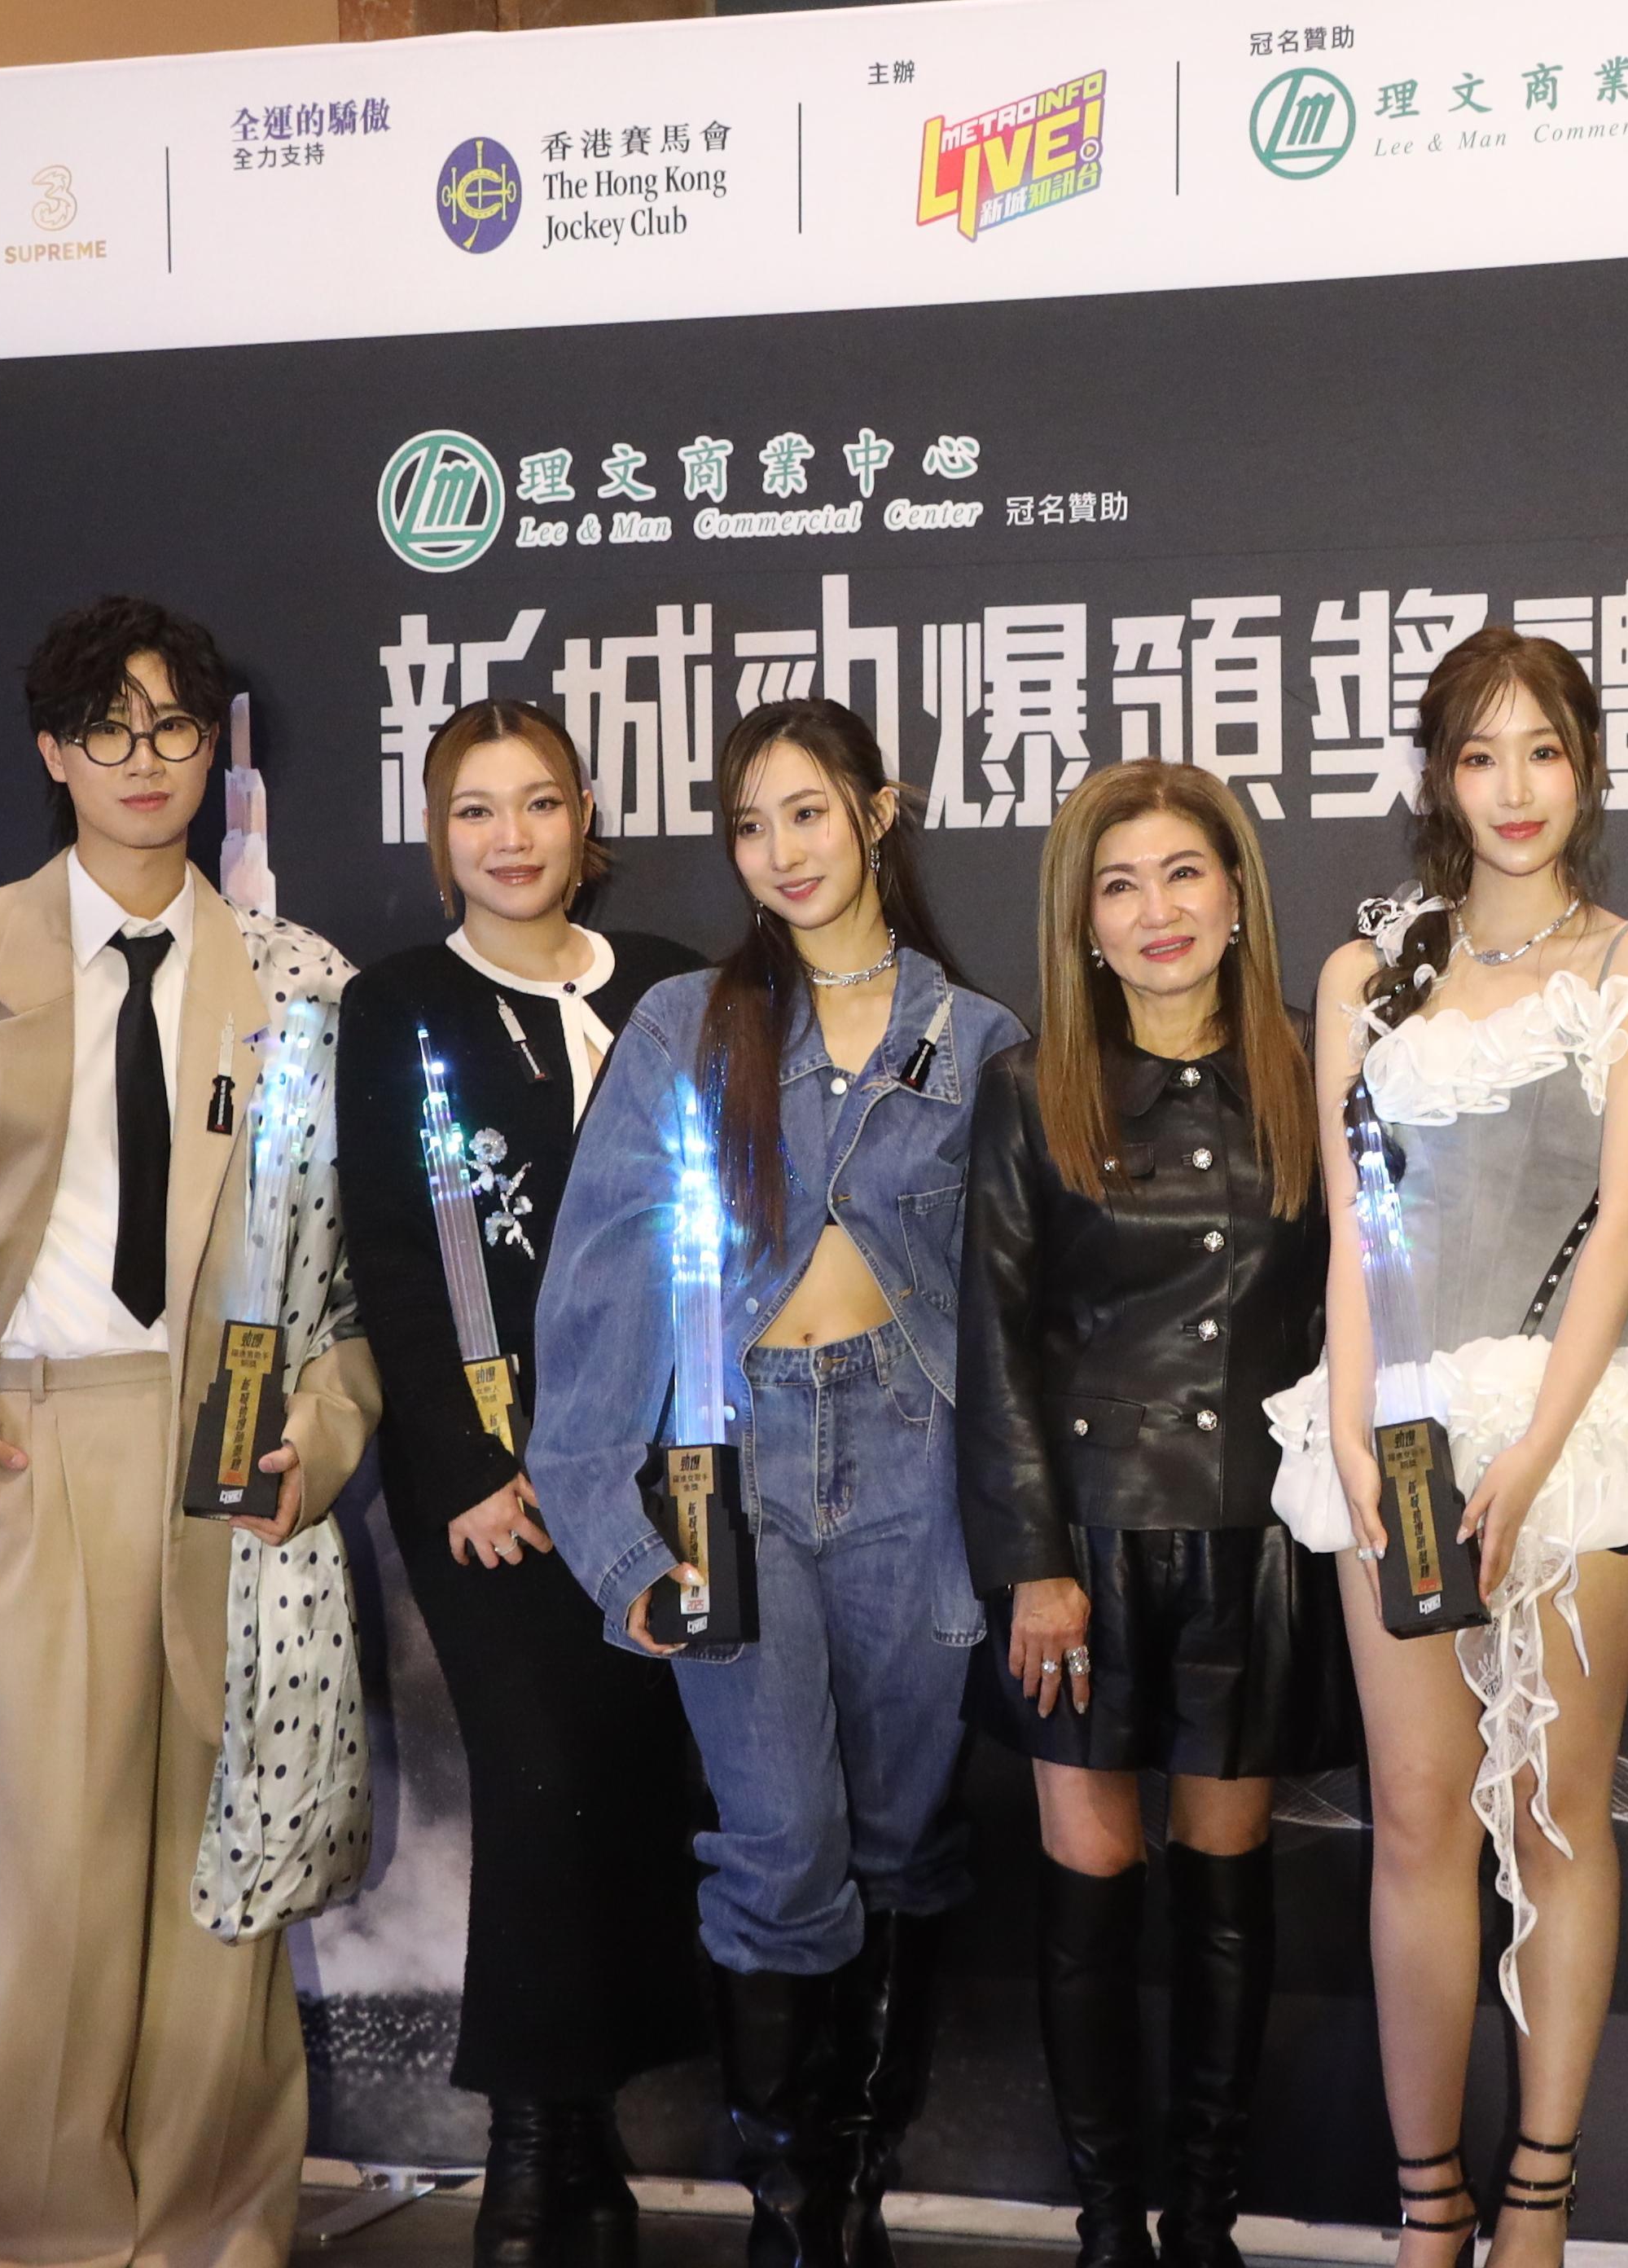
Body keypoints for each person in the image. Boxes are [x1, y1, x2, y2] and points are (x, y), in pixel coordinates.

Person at [0, 595, 380, 2268]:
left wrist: (322, 1437)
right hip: (27, 1456)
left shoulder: (296, 986)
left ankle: (217, 2225)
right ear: (53, 753)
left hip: (231, 1463)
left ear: (215, 748)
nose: (145, 759)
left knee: (222, 1881)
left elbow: (352, 1277)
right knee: (41, 1895)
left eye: (174, 725)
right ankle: (27, 2238)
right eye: (107, 728)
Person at [529, 697, 1025, 2268]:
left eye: (808, 812)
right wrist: (616, 1542)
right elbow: (600, 1288)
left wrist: (1034, 1536)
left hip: (916, 1463)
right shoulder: (687, 1026)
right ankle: (791, 2220)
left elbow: (1018, 1317)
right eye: (750, 826)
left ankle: (854, 2185)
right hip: (729, 1473)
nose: (781, 852)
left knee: (898, 1842)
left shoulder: (978, 1039)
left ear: (879, 812)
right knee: (779, 1842)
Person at [1262, 626, 1628, 2268]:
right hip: (1397, 1437)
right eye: (1479, 754)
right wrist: (1362, 1430)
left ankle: (1540, 2195)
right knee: (1415, 1816)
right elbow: (1352, 1234)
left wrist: (1533, 1451)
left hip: (1579, 1436)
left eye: (1544, 751)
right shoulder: (1362, 977)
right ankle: (1427, 2205)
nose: (1515, 789)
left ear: (1585, 769)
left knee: (1554, 1814)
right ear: (1438, 779)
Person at [955, 762, 1357, 2268]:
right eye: (1119, 886)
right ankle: (1106, 2224)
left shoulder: (1317, 1072)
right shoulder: (1028, 1089)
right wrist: (1032, 1566)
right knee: (1091, 1882)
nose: (1157, 911)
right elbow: (995, 1340)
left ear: (1238, 895)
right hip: (1085, 1546)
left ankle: (1203, 2220)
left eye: (1185, 873)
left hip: (1257, 1544)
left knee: (1227, 1890)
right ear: (1084, 924)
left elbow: (1364, 1305)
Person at [337, 699, 711, 2268]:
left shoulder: (673, 985)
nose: (513, 837)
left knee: (634, 1786)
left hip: (666, 1474)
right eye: (477, 810)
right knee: (543, 1782)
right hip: (494, 1487)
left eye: (540, 802)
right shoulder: (396, 1005)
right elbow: (389, 1257)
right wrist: (476, 1467)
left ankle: (593, 2130)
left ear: (584, 821)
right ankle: (531, 2140)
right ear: (441, 839)